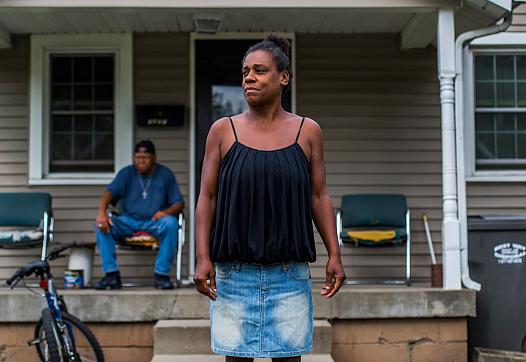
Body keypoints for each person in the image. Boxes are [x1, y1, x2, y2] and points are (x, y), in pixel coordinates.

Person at [194, 34, 346, 361]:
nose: (249, 77)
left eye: (260, 70)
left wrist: (334, 253)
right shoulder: (222, 131)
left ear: (283, 77)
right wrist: (202, 256)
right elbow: (207, 197)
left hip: (289, 275)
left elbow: (318, 196)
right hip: (233, 275)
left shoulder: (308, 132)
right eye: (245, 71)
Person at [94, 140, 184, 290]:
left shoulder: (165, 174)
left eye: (145, 157)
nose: (141, 161)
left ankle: (161, 276)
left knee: (171, 223)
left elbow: (179, 203)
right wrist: (101, 214)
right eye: (138, 157)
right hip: (128, 222)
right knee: (101, 225)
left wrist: (166, 212)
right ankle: (111, 275)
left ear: (154, 157)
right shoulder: (126, 173)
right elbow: (108, 193)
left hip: (154, 223)